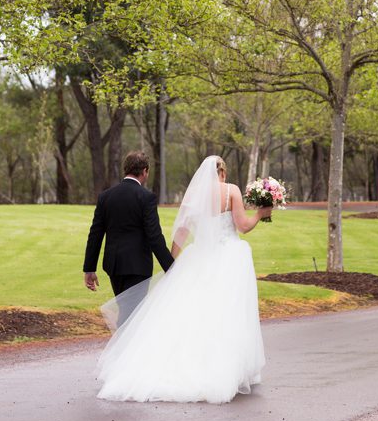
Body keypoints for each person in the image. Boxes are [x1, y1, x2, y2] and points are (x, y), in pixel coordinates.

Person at [95, 154, 271, 403]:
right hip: (229, 257)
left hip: (198, 258)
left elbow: (180, 233)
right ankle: (226, 368)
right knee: (227, 314)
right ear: (223, 173)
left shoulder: (193, 196)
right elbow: (242, 226)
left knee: (192, 313)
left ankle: (181, 364)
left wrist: (172, 265)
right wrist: (261, 214)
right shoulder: (231, 191)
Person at [83, 151, 174, 324]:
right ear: (145, 171)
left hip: (114, 266)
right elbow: (154, 236)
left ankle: (122, 348)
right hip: (137, 266)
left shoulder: (106, 196)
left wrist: (89, 268)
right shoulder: (146, 197)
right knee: (132, 317)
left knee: (127, 311)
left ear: (126, 169)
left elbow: (95, 234)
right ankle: (120, 350)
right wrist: (170, 267)